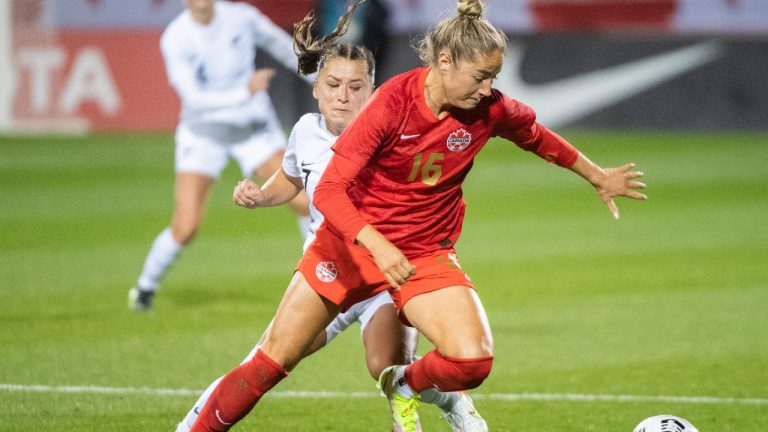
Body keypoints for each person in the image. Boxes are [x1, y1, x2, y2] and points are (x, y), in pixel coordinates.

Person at [188, 0, 647, 431]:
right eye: (480, 76)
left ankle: (406, 384)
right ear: (444, 62)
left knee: (471, 362)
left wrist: (596, 175)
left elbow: (536, 136)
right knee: (269, 365)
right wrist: (377, 243)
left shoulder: (487, 108)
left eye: (493, 77)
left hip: (423, 254)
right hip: (348, 248)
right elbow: (328, 191)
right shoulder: (391, 104)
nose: (488, 89)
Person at [179, 3, 487, 431]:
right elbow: (292, 180)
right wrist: (260, 197)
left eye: (355, 86)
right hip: (329, 270)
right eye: (333, 84)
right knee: (266, 361)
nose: (343, 95)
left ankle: (451, 401)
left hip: (384, 274)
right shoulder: (306, 131)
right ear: (316, 89)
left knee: (386, 367)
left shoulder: (393, 130)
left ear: (372, 90)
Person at [129, 0, 312, 311]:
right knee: (186, 226)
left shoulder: (241, 18)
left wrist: (321, 77)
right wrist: (243, 91)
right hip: (204, 134)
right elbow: (194, 99)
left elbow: (283, 46)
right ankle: (145, 287)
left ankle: (314, 280)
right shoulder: (176, 38)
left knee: (303, 200)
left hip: (252, 128)